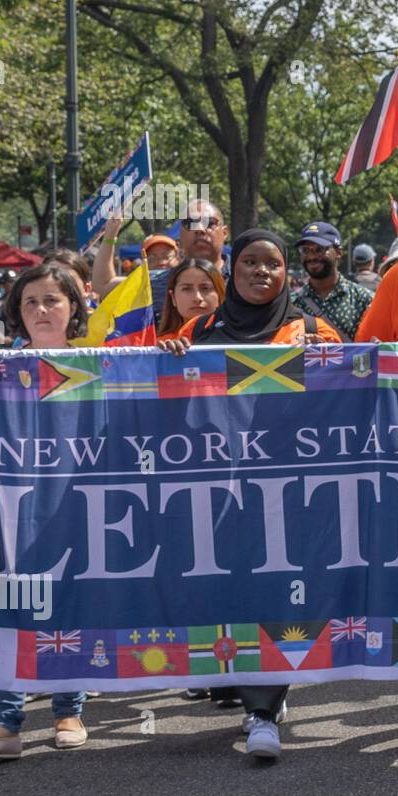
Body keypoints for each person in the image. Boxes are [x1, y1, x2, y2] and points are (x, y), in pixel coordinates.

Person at [158, 229, 340, 760]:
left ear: (289, 273)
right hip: (219, 491)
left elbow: (345, 401)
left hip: (289, 493)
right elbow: (168, 399)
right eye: (251, 263)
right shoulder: (203, 329)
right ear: (231, 270)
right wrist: (171, 356)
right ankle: (247, 686)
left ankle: (262, 710)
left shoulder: (313, 329)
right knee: (229, 592)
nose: (262, 272)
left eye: (274, 264)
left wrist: (321, 362)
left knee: (277, 594)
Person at [0, 263, 93, 760]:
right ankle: (5, 724)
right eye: (30, 301)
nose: (41, 310)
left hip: (81, 504)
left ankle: (68, 709)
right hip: (16, 507)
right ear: (18, 311)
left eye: (52, 300)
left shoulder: (99, 361)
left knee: (73, 600)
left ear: (73, 307)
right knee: (14, 602)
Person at [291, 221, 373, 340]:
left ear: (338, 252)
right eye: (305, 250)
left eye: (319, 249)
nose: (311, 256)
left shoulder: (364, 300)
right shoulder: (292, 304)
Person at [158, 257, 225, 339]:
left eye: (205, 288)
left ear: (220, 293)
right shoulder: (159, 347)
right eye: (187, 289)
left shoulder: (236, 338)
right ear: (173, 297)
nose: (197, 298)